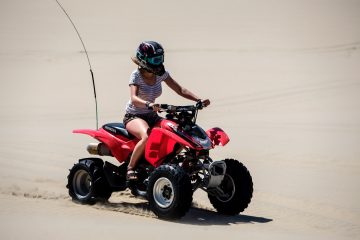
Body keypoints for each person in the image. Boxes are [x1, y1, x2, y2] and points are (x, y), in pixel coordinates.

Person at [123, 41, 210, 180]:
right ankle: (130, 168)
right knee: (147, 136)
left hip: (152, 115)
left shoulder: (160, 74)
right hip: (134, 116)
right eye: (155, 59)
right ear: (144, 59)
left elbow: (180, 89)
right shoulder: (136, 75)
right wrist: (149, 104)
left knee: (178, 133)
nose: (158, 63)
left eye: (160, 59)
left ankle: (165, 165)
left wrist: (198, 100)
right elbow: (133, 98)